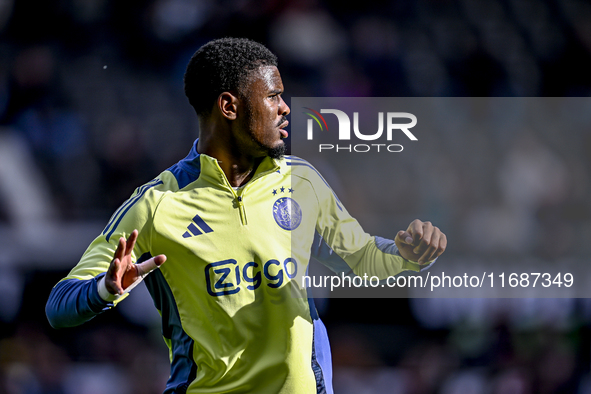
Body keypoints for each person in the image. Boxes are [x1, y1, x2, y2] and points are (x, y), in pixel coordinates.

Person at [46, 37, 446, 394]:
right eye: (272, 96)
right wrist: (105, 289)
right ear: (229, 106)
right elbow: (58, 306)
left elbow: (364, 261)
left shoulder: (302, 182)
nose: (285, 108)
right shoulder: (156, 206)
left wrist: (409, 254)